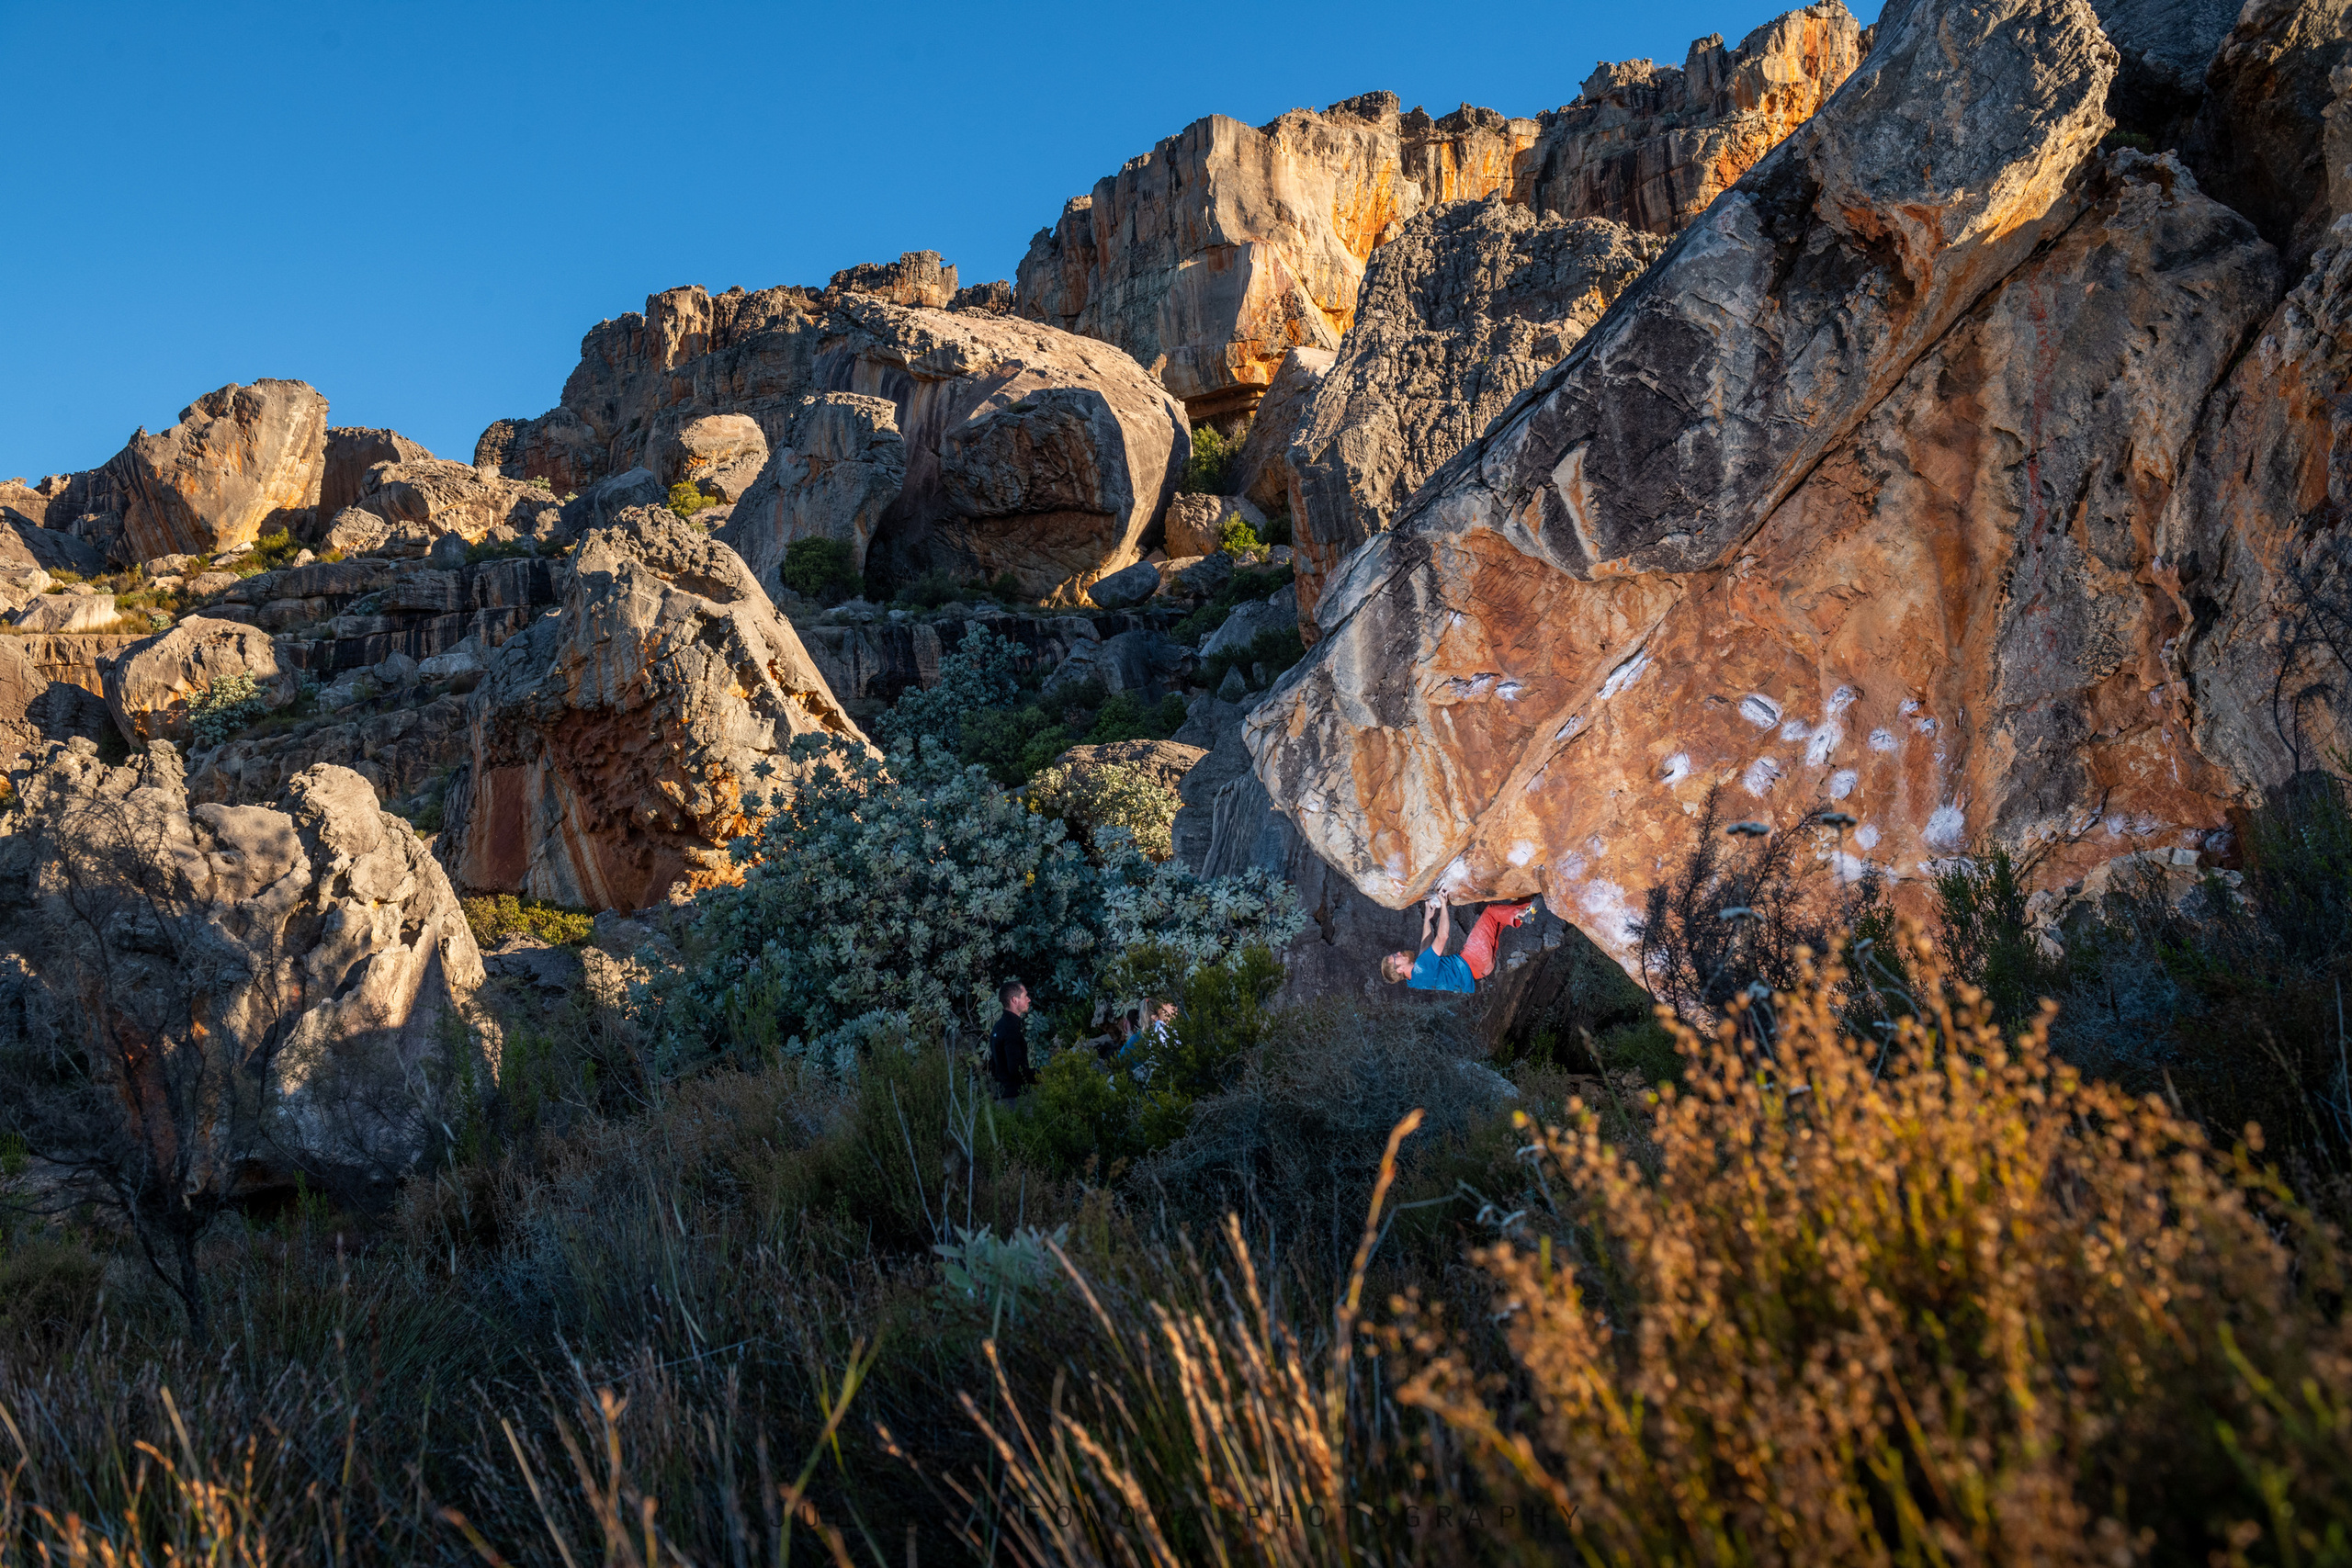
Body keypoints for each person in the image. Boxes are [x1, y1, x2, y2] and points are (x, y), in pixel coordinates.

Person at [1383, 893, 1541, 993]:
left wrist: (1427, 919)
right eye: (1395, 957)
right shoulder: (1422, 967)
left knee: (1498, 921)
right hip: (1473, 960)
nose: (1398, 953)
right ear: (1400, 969)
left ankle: (1528, 902)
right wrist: (1444, 905)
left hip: (1481, 971)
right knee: (1491, 913)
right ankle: (1524, 914)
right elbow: (1443, 936)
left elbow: (1425, 946)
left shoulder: (1415, 980)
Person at [989, 980, 1033, 1098]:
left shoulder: (998, 1027)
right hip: (1014, 1098)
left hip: (1001, 1095)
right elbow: (1016, 1070)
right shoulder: (1010, 1029)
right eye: (1025, 996)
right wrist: (1041, 1075)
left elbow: (994, 1067)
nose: (1029, 999)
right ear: (1014, 1000)